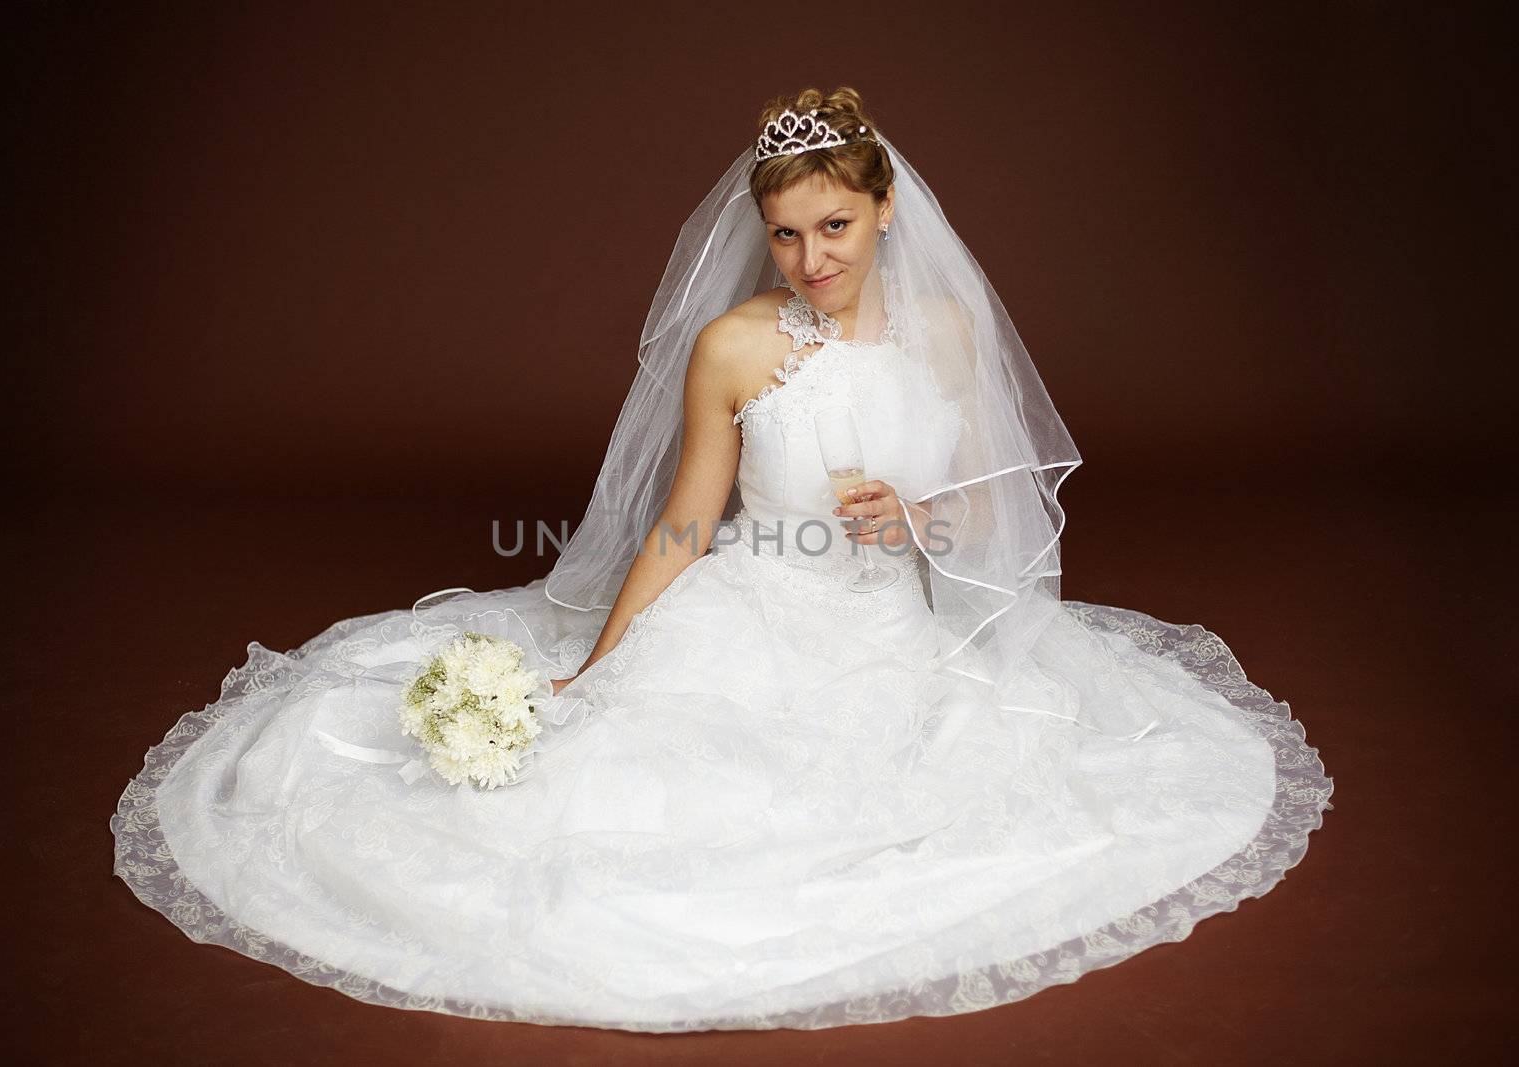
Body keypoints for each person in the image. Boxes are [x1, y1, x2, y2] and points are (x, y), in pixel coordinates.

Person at [111, 86, 1335, 1032]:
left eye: (837, 225)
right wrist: (596, 661)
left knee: (941, 792)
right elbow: (688, 521)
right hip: (753, 603)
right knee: (647, 798)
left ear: (887, 206)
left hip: (886, 631)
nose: (812, 259)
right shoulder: (737, 344)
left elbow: (981, 518)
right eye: (787, 233)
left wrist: (912, 521)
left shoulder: (948, 332)